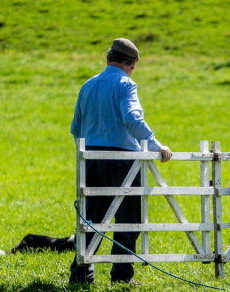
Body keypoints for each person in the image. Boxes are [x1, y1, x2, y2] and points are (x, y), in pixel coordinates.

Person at [69, 38, 173, 285]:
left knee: (92, 218)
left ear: (108, 59)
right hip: (122, 160)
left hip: (91, 158)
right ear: (132, 64)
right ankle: (122, 276)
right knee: (128, 219)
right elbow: (133, 118)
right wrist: (156, 145)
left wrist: (86, 155)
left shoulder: (89, 85)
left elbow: (76, 127)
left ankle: (81, 273)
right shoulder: (126, 84)